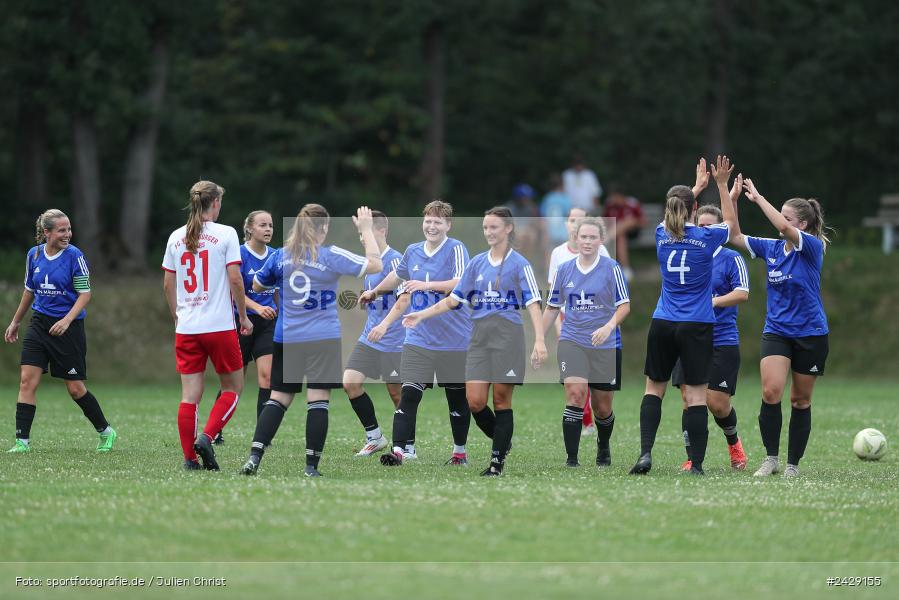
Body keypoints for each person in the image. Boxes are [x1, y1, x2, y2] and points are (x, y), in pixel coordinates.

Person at [240, 204, 382, 477]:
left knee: (278, 397)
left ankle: (254, 458)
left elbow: (256, 285)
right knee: (318, 400)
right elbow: (375, 264)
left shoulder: (280, 256)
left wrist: (278, 285)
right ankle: (310, 467)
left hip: (286, 336)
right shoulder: (329, 256)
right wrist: (366, 230)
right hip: (322, 338)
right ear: (324, 229)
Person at [402, 207, 545, 475]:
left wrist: (539, 341)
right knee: (475, 401)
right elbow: (454, 300)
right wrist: (421, 314)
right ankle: (503, 440)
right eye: (485, 228)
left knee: (501, 400)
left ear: (508, 229)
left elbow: (534, 303)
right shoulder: (476, 263)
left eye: (494, 227)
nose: (489, 232)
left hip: (507, 336)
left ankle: (496, 463)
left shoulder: (520, 264)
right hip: (478, 336)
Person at [629, 156, 734, 476]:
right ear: (693, 209)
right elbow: (730, 222)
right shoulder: (706, 237)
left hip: (663, 322)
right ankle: (698, 465)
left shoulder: (662, 234)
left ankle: (645, 454)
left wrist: (695, 188)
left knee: (653, 390)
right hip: (697, 324)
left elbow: (675, 209)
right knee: (696, 395)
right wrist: (719, 185)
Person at [723, 174, 831, 479]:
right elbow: (733, 235)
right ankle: (770, 459)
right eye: (780, 214)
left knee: (800, 399)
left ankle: (793, 464)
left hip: (811, 333)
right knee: (771, 392)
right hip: (778, 331)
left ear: (803, 225)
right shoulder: (771, 249)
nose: (780, 222)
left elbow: (783, 227)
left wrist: (757, 198)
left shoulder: (810, 247)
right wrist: (731, 199)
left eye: (787, 217)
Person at [360, 200, 472, 466]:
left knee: (456, 397)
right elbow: (397, 277)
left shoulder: (456, 248)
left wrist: (426, 284)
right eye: (428, 221)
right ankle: (399, 452)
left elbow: (461, 282)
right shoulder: (412, 251)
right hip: (418, 337)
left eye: (438, 222)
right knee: (409, 392)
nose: (431, 226)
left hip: (453, 339)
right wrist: (375, 291)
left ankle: (459, 453)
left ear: (448, 225)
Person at [5, 210, 116, 454]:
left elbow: (85, 294)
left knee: (75, 389)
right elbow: (29, 291)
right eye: (61, 230)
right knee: (26, 380)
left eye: (69, 229)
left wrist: (67, 320)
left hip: (69, 328)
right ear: (47, 233)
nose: (67, 234)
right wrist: (15, 321)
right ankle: (22, 442)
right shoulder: (33, 255)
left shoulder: (74, 256)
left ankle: (106, 431)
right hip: (39, 324)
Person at [162, 181, 252, 471]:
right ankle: (207, 437)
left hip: (187, 328)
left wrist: (178, 316)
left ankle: (189, 459)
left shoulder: (176, 237)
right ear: (214, 203)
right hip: (219, 326)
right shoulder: (225, 233)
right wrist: (244, 316)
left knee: (189, 396)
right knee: (233, 388)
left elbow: (168, 283)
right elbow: (235, 280)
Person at [538, 217, 630, 467]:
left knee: (602, 408)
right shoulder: (564, 270)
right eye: (584, 237)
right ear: (576, 239)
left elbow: (624, 306)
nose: (588, 241)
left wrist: (609, 326)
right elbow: (552, 307)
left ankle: (603, 447)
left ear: (601, 241)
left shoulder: (612, 268)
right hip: (572, 340)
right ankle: (572, 459)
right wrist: (539, 340)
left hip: (606, 344)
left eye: (593, 237)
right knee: (576, 395)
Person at [669, 203, 750, 471]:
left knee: (717, 403)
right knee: (688, 399)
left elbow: (742, 292)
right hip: (689, 338)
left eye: (709, 226)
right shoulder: (686, 254)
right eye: (700, 225)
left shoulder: (731, 258)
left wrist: (713, 302)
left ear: (718, 229)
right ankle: (693, 457)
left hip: (722, 339)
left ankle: (733, 442)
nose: (703, 230)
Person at [212, 210, 279, 446]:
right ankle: (215, 429)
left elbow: (278, 291)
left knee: (267, 377)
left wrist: (282, 315)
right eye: (263, 225)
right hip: (240, 322)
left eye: (270, 225)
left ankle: (263, 436)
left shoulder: (275, 255)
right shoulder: (239, 254)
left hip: (267, 323)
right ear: (249, 229)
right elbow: (234, 289)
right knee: (234, 382)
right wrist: (256, 309)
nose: (268, 229)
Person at [343, 210, 404, 456]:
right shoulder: (370, 264)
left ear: (381, 230)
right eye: (359, 233)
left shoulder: (397, 261)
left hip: (396, 339)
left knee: (397, 393)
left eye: (364, 232)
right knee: (350, 383)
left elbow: (404, 301)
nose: (361, 238)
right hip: (370, 337)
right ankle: (375, 437)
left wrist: (385, 325)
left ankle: (405, 445)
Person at [547, 207, 611, 437]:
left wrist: (611, 324)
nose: (576, 224)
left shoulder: (601, 251)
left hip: (597, 321)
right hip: (569, 320)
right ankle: (585, 421)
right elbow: (553, 298)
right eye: (572, 220)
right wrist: (556, 327)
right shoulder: (558, 254)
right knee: (575, 380)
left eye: (580, 220)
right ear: (566, 225)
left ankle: (596, 420)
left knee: (595, 382)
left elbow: (611, 289)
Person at [602, 187, 646, 280]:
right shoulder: (610, 205)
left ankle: (606, 239)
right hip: (618, 235)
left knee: (629, 221)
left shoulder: (632, 203)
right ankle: (626, 270)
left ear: (620, 197)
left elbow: (643, 222)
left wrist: (630, 223)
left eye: (614, 197)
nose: (612, 199)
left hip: (633, 232)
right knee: (621, 237)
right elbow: (605, 221)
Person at [540, 175, 572, 251]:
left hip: (549, 233)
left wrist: (544, 234)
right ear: (562, 185)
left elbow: (543, 219)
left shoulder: (547, 198)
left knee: (549, 256)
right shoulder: (566, 199)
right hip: (563, 234)